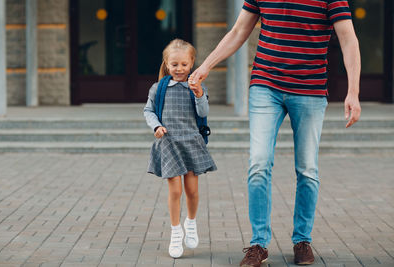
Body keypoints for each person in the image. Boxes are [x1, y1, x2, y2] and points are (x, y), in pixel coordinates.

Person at [190, 0, 361, 266]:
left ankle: (302, 240)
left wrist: (353, 91)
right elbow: (238, 31)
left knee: (307, 168)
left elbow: (348, 38)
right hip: (265, 85)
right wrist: (206, 66)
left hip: (310, 89)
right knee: (258, 163)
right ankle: (259, 244)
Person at [143, 39, 217, 258]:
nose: (179, 69)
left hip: (191, 141)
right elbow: (148, 111)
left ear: (192, 63)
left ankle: (191, 222)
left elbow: (203, 113)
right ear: (167, 64)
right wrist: (156, 126)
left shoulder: (197, 86)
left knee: (192, 191)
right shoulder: (159, 88)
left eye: (184, 64)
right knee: (175, 190)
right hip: (169, 142)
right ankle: (176, 232)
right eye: (174, 64)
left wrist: (199, 94)